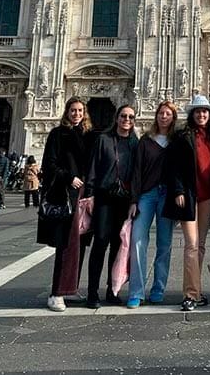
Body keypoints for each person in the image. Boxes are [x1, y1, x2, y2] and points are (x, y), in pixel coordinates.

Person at [37, 95, 95, 313]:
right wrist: (69, 177)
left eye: (80, 111)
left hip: (84, 194)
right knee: (65, 245)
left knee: (79, 243)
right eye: (73, 110)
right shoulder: (57, 134)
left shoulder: (88, 135)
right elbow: (49, 164)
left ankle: (70, 287)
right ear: (67, 112)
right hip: (65, 194)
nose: (77, 114)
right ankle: (56, 293)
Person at [163, 94, 210, 312]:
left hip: (209, 195)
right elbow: (173, 165)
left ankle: (195, 289)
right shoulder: (182, 136)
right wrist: (177, 189)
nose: (201, 114)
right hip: (188, 194)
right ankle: (190, 294)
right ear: (192, 115)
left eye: (204, 111)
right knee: (192, 245)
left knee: (200, 245)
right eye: (198, 111)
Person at [86, 103, 139, 308]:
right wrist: (89, 195)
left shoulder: (135, 143)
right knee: (100, 242)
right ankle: (92, 292)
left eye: (130, 117)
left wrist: (134, 200)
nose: (127, 120)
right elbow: (92, 168)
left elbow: (137, 175)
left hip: (124, 200)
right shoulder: (103, 140)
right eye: (123, 116)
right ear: (116, 118)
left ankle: (112, 289)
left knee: (118, 246)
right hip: (104, 198)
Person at [127, 100, 178, 307]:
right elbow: (136, 171)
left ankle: (158, 288)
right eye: (161, 113)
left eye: (167, 114)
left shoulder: (177, 141)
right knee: (138, 240)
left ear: (173, 118)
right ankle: (136, 292)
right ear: (156, 116)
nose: (164, 116)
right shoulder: (145, 141)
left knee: (164, 245)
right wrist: (133, 199)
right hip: (147, 196)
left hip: (167, 195)